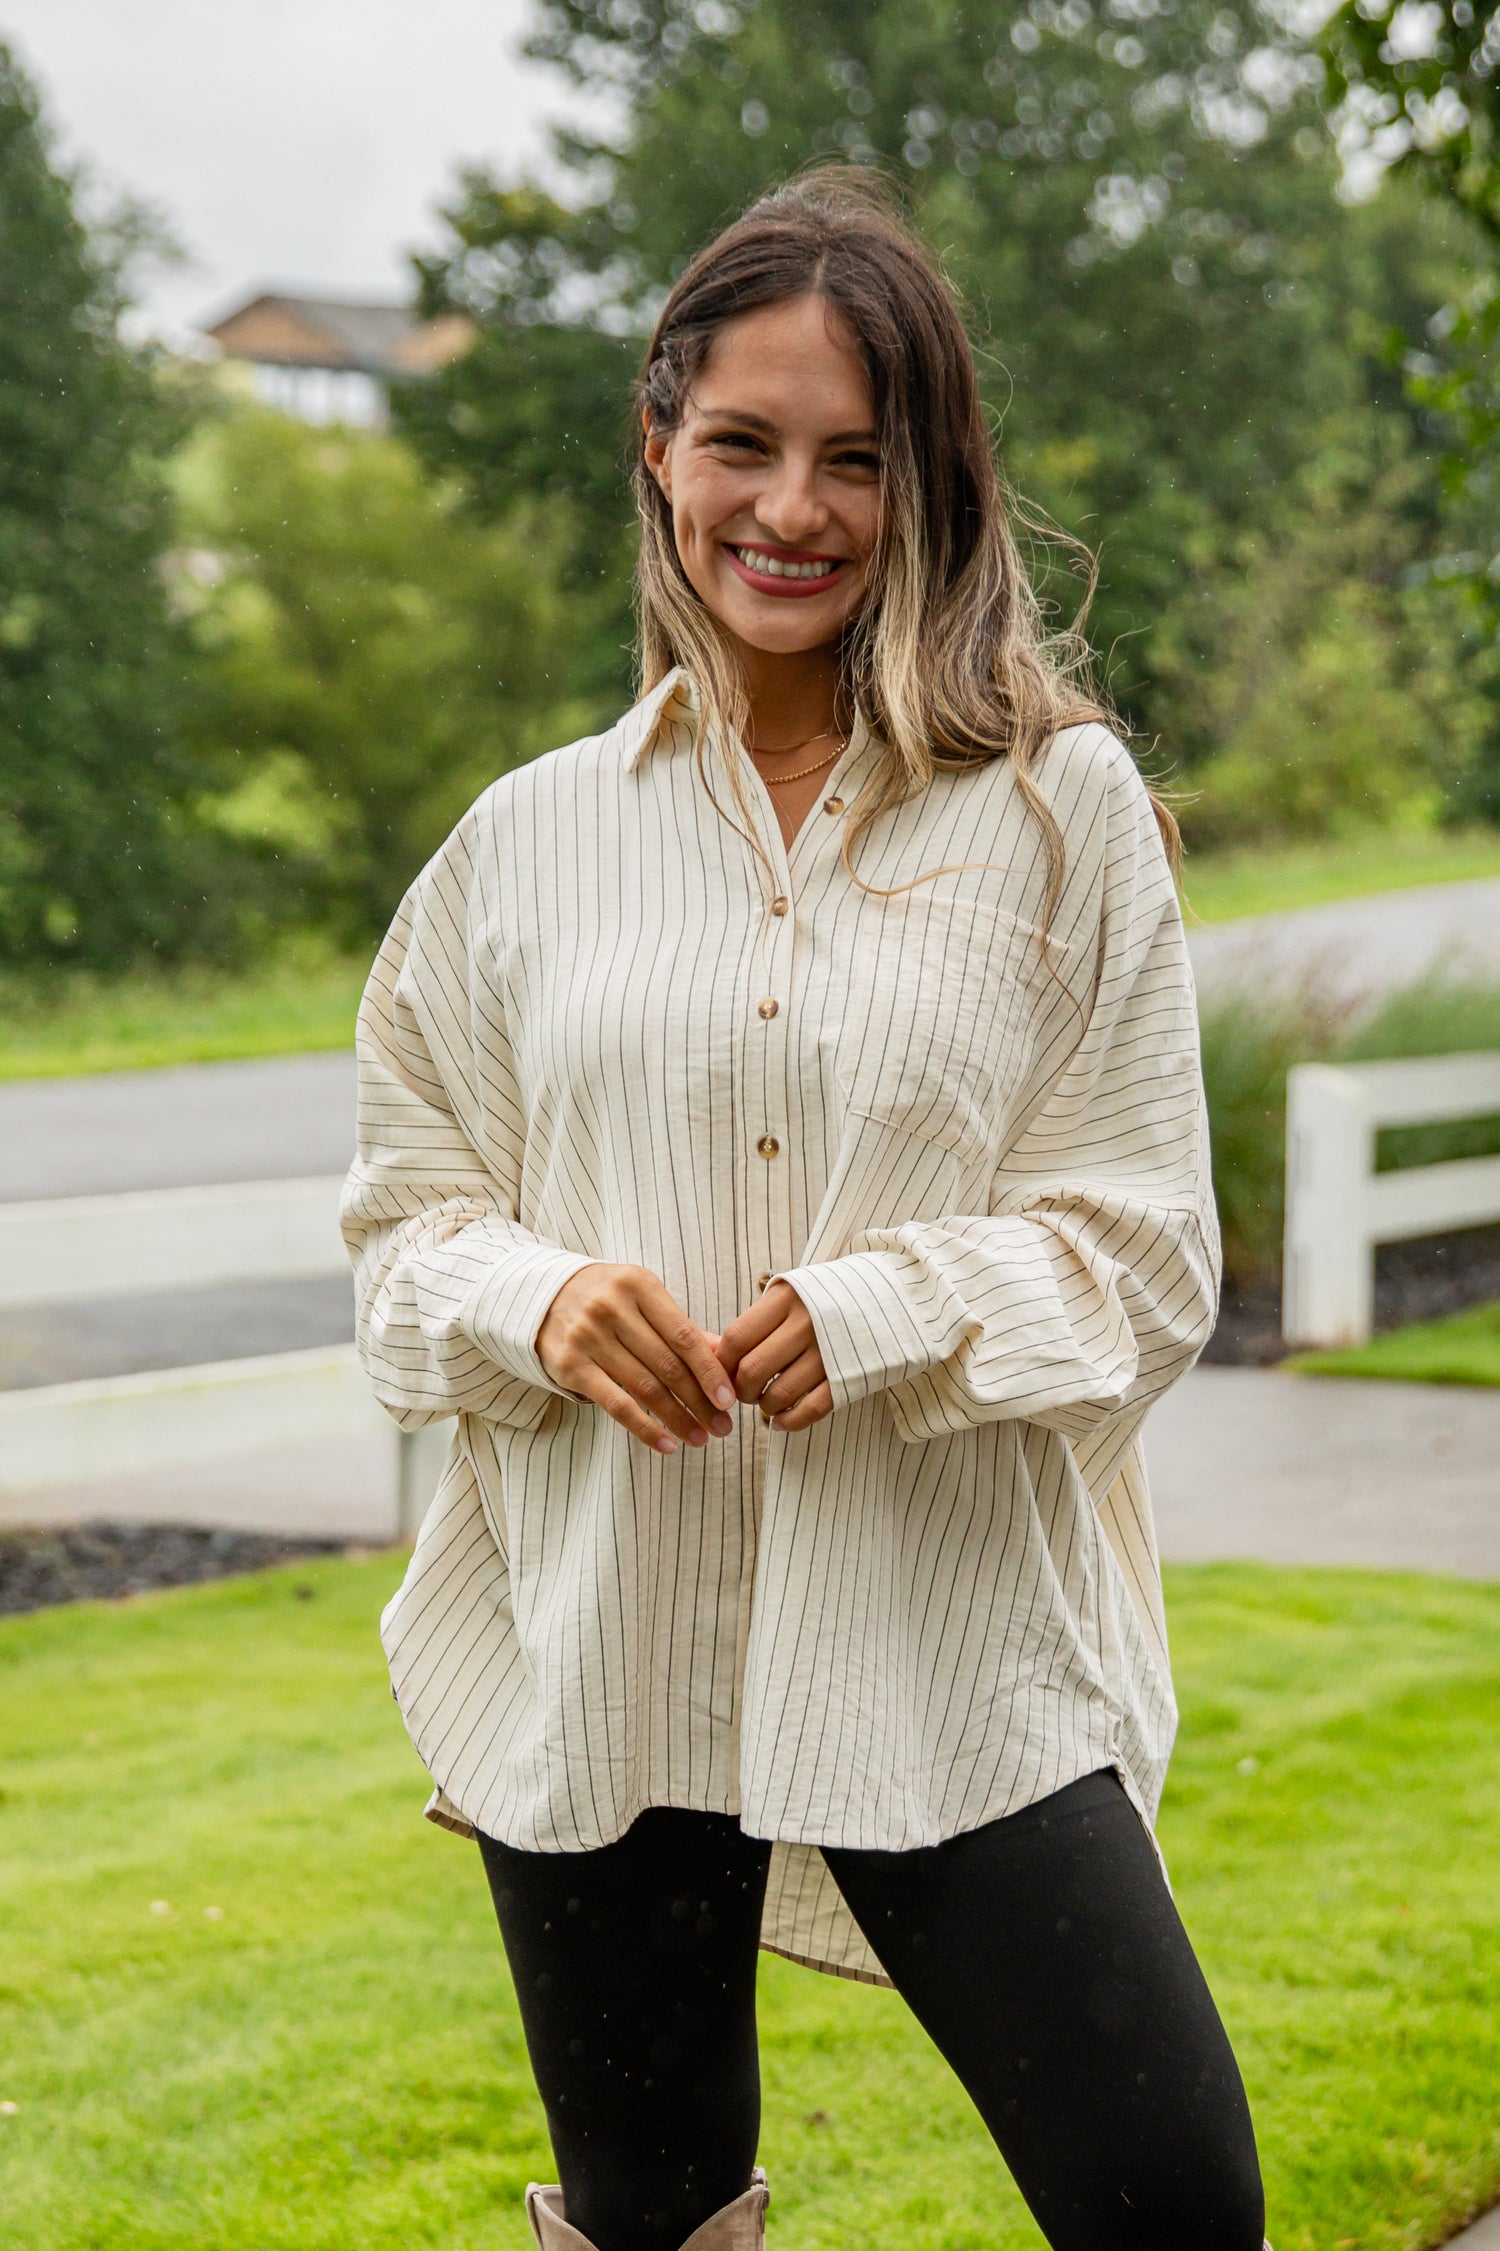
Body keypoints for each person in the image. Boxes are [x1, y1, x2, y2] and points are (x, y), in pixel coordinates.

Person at [342, 168, 1267, 2251]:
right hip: (601, 1642)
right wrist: (543, 1296)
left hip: (951, 1644)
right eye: (744, 442)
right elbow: (401, 1240)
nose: (795, 508)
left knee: (1175, 2198)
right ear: (658, 442)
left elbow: (1149, 1260)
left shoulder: (1059, 812)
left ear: (929, 483)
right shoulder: (521, 849)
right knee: (652, 2217)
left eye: (858, 459)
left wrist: (881, 1307)